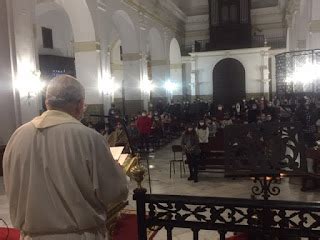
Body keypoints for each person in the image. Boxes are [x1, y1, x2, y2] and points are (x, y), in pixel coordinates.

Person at [3, 75, 128, 240]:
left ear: (47, 102)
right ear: (79, 105)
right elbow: (115, 192)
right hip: (79, 235)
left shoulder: (17, 137)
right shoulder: (88, 138)